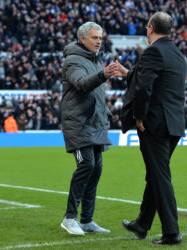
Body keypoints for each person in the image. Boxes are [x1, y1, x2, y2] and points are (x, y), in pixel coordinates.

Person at [114, 12, 187, 245]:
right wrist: (128, 73)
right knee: (155, 175)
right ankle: (142, 224)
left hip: (154, 123)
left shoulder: (153, 51)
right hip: (174, 123)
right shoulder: (177, 54)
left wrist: (139, 115)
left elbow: (145, 88)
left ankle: (172, 233)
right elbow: (155, 80)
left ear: (151, 28)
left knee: (160, 176)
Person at [60, 21, 117, 236]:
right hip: (78, 125)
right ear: (82, 38)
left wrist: (106, 115)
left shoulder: (95, 61)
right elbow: (82, 84)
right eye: (94, 38)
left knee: (95, 171)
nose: (99, 41)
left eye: (100, 38)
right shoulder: (73, 61)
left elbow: (96, 95)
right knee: (86, 167)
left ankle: (86, 220)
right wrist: (103, 74)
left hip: (96, 125)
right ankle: (70, 218)